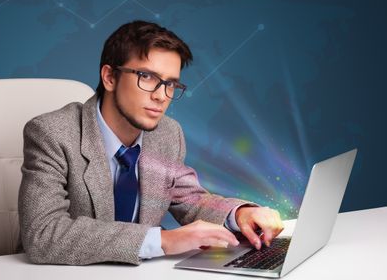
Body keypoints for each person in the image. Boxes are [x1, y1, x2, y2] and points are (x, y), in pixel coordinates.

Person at [18, 20, 283, 265]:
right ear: (109, 77)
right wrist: (163, 241)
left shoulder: (168, 133)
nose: (162, 96)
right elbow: (43, 233)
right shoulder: (52, 133)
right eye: (147, 77)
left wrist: (239, 214)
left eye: (170, 84)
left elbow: (190, 200)